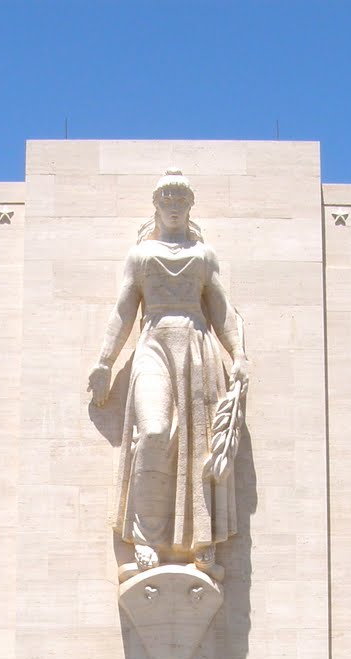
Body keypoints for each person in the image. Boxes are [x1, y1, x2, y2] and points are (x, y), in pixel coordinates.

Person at [88, 170, 248, 580]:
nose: (173, 206)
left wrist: (238, 354)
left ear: (190, 206)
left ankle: (201, 539)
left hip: (195, 347)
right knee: (154, 432)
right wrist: (105, 362)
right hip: (154, 343)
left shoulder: (204, 256)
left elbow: (221, 309)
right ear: (156, 205)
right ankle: (145, 535)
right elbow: (124, 310)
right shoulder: (140, 256)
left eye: (180, 199)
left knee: (198, 445)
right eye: (167, 199)